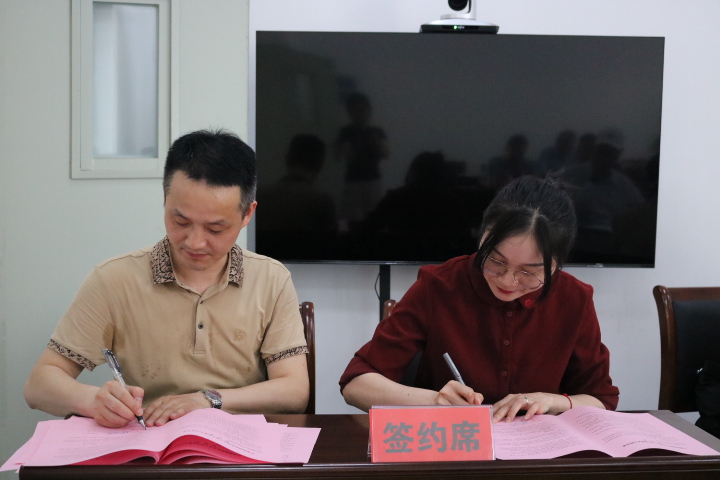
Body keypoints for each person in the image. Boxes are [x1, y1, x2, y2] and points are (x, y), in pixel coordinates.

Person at [24, 129, 310, 428]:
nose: (195, 242)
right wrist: (93, 400)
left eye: (215, 229)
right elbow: (39, 385)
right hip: (149, 440)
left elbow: (294, 392)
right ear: (165, 198)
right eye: (180, 221)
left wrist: (207, 399)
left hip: (238, 444)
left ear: (247, 214)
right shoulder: (114, 280)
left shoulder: (270, 279)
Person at [340, 175, 619, 422]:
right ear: (481, 237)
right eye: (496, 261)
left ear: (557, 264)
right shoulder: (439, 286)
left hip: (534, 454)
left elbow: (602, 399)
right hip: (452, 447)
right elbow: (356, 384)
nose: (508, 281)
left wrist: (552, 401)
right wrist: (435, 401)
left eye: (529, 272)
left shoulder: (574, 298)